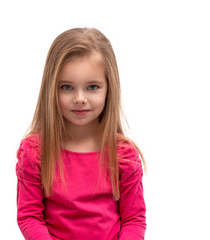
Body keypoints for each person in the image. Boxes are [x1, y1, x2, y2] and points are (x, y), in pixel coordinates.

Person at [16, 28, 146, 240]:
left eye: (92, 87)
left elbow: (134, 220)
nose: (80, 98)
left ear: (108, 89)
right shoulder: (35, 152)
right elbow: (30, 217)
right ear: (52, 90)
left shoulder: (123, 155)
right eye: (67, 87)